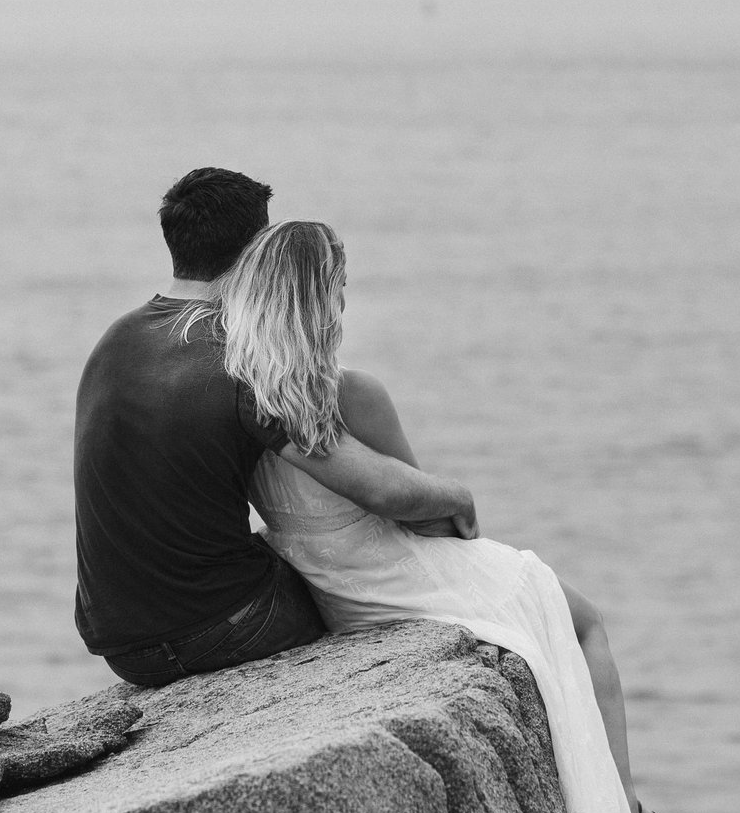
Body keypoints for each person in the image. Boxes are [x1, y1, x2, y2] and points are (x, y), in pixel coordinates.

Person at [196, 218, 682, 813]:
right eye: (338, 288)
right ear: (316, 300)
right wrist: (459, 503)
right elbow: (418, 511)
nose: (343, 303)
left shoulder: (239, 398)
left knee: (548, 620)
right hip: (404, 575)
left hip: (343, 595)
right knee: (583, 620)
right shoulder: (352, 393)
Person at [72, 168, 475, 689]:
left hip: (119, 643)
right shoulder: (240, 359)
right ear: (260, 250)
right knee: (348, 582)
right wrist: (457, 496)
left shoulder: (116, 339)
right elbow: (377, 487)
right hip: (217, 630)